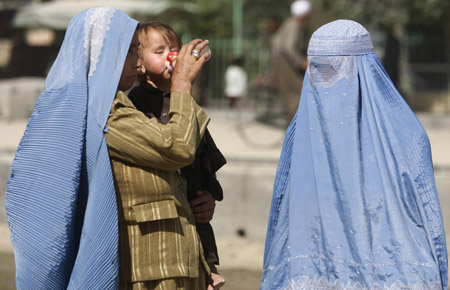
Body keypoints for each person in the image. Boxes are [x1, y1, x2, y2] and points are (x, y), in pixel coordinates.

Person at [261, 20, 448, 289]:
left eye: (332, 71)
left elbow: (426, 221)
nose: (322, 82)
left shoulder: (404, 138)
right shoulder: (301, 135)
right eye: (316, 71)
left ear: (362, 71)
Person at [5, 8, 140, 289]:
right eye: (128, 52)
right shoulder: (70, 110)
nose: (138, 64)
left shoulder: (125, 105)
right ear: (101, 55)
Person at [126, 22, 226, 289]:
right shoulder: (135, 103)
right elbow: (170, 150)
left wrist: (210, 195)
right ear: (140, 63)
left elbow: (205, 156)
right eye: (159, 51)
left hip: (193, 210)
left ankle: (210, 267)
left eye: (174, 49)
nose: (171, 56)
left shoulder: (183, 99)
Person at [270, 0, 311, 123]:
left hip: (284, 61)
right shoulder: (295, 25)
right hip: (285, 63)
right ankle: (296, 127)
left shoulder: (290, 23)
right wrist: (302, 62)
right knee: (297, 93)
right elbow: (289, 47)